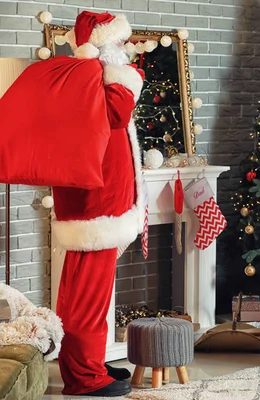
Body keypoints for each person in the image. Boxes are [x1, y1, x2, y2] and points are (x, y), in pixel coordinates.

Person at [0, 11, 145, 396]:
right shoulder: (90, 79)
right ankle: (83, 376)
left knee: (86, 292)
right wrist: (129, 78)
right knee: (87, 298)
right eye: (118, 42)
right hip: (96, 204)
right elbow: (117, 113)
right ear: (102, 44)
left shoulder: (85, 76)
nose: (125, 49)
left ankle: (87, 363)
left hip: (101, 201)